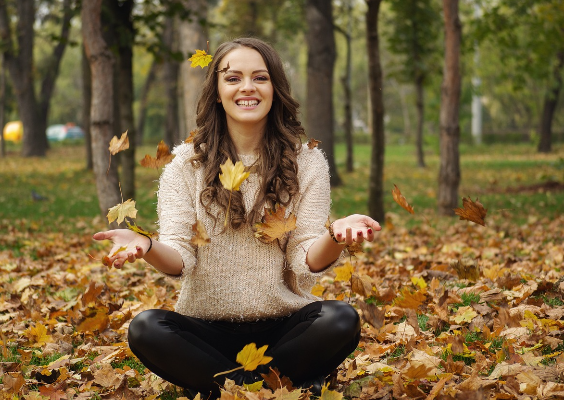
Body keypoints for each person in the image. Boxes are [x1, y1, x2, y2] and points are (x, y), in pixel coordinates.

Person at [93, 37, 381, 399]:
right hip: (207, 336)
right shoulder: (185, 165)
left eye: (260, 78)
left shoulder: (306, 162)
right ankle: (268, 388)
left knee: (341, 320)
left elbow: (305, 257)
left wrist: (336, 236)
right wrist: (148, 245)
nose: (247, 87)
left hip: (284, 331)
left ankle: (227, 390)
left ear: (275, 88)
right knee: (146, 328)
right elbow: (180, 259)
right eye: (233, 78)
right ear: (216, 91)